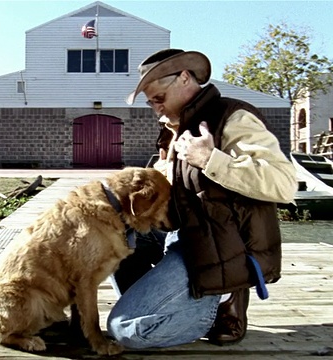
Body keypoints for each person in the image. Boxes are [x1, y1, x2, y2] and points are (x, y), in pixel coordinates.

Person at [106, 48, 297, 348]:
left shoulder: (233, 117)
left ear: (184, 79)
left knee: (126, 330)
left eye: (159, 99)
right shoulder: (174, 128)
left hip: (220, 244)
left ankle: (221, 297)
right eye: (151, 102)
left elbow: (284, 183)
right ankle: (170, 304)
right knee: (114, 232)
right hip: (185, 232)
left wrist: (210, 159)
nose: (156, 108)